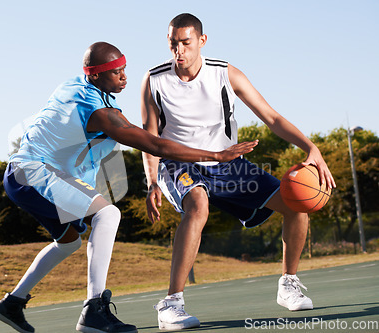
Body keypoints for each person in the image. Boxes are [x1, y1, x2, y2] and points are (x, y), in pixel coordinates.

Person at [0, 41, 258, 333]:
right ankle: (94, 310)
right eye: (115, 72)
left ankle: (12, 303)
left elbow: (132, 132)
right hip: (33, 174)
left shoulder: (81, 87)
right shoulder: (97, 111)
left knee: (69, 241)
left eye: (124, 69)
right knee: (108, 214)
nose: (123, 77)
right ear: (94, 76)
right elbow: (153, 143)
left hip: (22, 174)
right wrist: (216, 155)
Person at [141, 13, 336, 331]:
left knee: (296, 203)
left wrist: (310, 148)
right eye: (173, 43)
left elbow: (271, 117)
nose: (179, 50)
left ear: (202, 41)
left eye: (186, 43)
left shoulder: (225, 73)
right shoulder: (154, 79)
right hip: (180, 164)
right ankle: (171, 304)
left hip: (228, 163)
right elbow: (149, 136)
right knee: (197, 205)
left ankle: (288, 283)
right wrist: (151, 182)